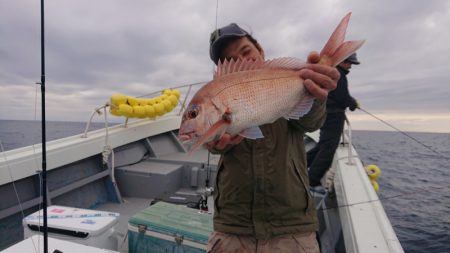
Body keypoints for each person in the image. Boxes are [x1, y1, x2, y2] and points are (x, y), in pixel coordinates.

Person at [205, 23, 339, 253]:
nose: (243, 62)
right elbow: (214, 144)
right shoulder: (216, 98)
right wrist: (211, 140)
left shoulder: (285, 82)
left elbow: (311, 122)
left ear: (261, 50)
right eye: (230, 60)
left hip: (292, 226)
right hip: (232, 226)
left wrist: (317, 94)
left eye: (246, 52)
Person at [307, 53, 360, 190]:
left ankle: (302, 165)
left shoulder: (332, 73)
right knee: (328, 149)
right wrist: (353, 103)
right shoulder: (339, 75)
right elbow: (343, 98)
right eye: (349, 62)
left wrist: (350, 101)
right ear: (342, 61)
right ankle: (312, 181)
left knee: (322, 146)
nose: (350, 66)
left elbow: (338, 95)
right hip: (334, 117)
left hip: (325, 115)